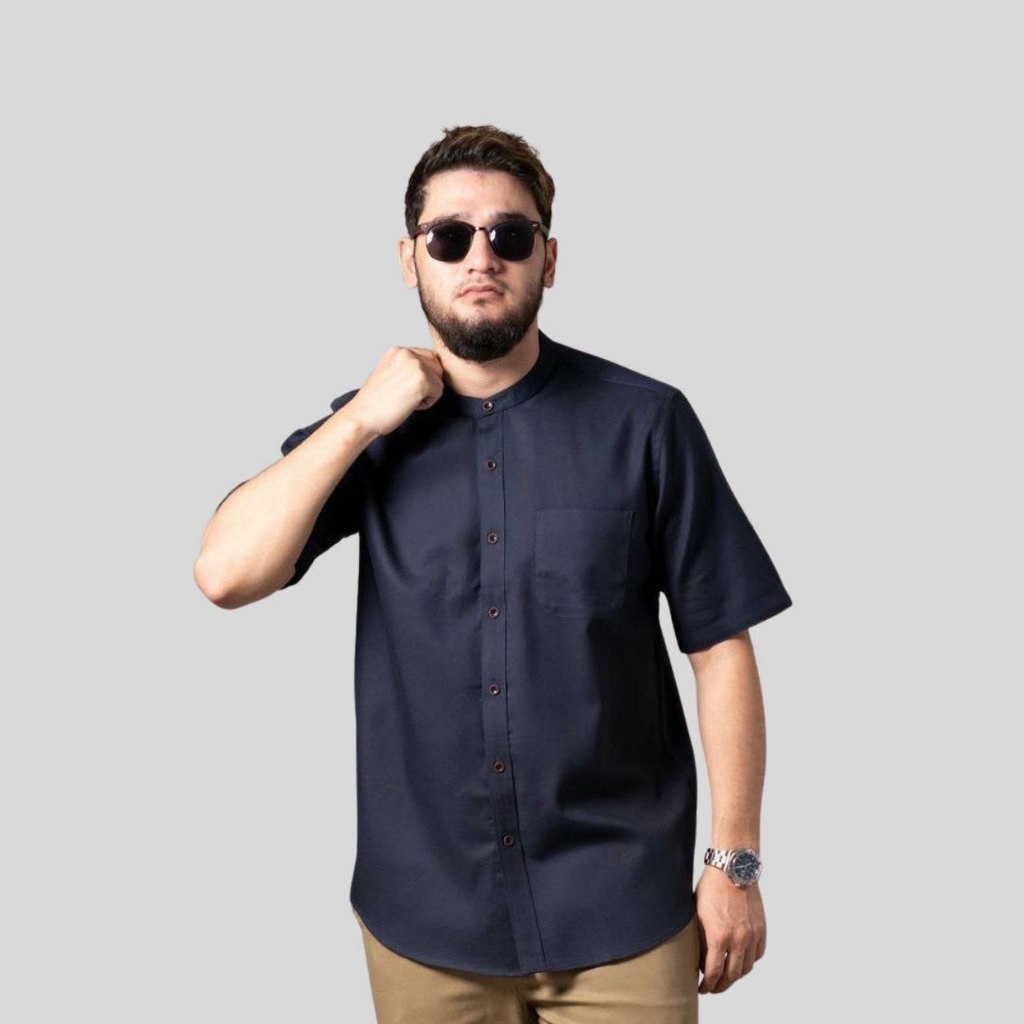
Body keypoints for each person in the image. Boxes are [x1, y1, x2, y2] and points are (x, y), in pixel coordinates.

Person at [194, 124, 793, 1024]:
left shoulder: (646, 422)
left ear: (548, 260)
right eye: (449, 237)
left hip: (623, 905)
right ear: (411, 260)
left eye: (511, 235)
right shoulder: (365, 435)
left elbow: (720, 647)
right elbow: (224, 574)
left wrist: (734, 863)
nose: (481, 257)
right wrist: (359, 421)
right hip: (426, 918)